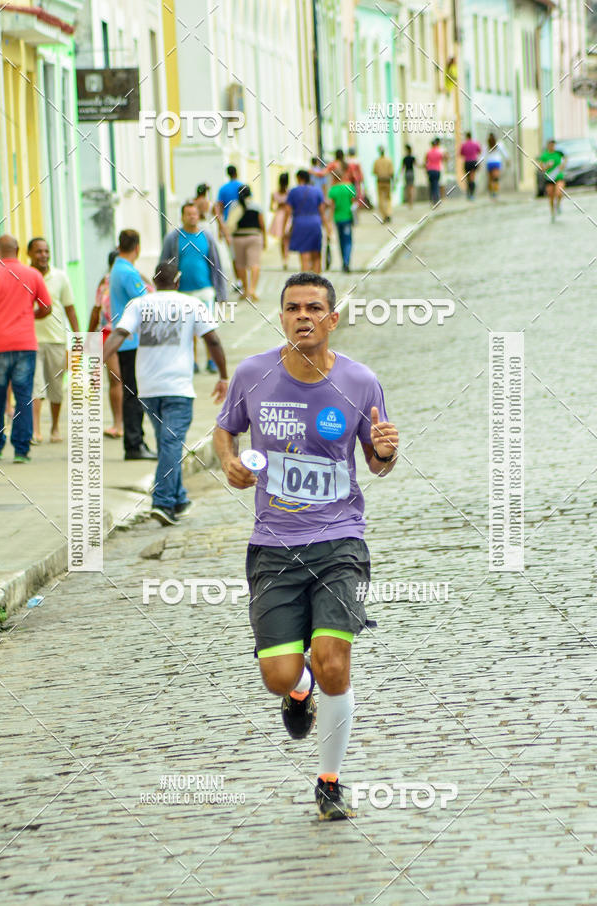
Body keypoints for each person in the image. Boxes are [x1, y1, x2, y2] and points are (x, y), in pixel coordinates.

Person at [213, 271, 399, 821]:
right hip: (273, 545)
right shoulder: (253, 373)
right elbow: (227, 428)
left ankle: (330, 781)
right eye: (293, 307)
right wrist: (228, 461)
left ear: (331, 319)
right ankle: (298, 694)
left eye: (314, 308)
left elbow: (377, 462)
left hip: (340, 539)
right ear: (282, 316)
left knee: (333, 660)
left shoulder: (361, 383)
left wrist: (386, 451)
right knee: (278, 674)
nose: (303, 316)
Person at [104, 263, 228, 525]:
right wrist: (223, 375)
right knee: (171, 444)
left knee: (166, 443)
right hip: (178, 388)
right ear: (178, 281)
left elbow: (119, 334)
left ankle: (179, 498)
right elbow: (213, 340)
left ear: (154, 281)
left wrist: (98, 360)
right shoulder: (192, 304)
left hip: (148, 388)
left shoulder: (139, 304)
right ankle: (162, 502)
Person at [0, 234, 51, 463]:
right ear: (18, 250)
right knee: (23, 396)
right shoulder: (32, 275)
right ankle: (21, 450)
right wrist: (32, 315)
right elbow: (47, 306)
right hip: (25, 344)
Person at [160, 201, 228, 373]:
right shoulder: (173, 238)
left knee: (208, 326)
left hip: (205, 289)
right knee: (188, 329)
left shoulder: (207, 237)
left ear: (199, 216)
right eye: (188, 214)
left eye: (194, 214)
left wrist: (221, 293)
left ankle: (212, 361)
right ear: (182, 216)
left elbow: (217, 265)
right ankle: (192, 361)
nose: (192, 217)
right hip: (182, 291)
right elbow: (164, 264)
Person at [109, 229, 156, 461]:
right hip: (132, 340)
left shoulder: (117, 269)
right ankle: (135, 443)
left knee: (132, 394)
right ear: (137, 248)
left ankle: (135, 442)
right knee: (135, 395)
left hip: (126, 340)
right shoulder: (128, 272)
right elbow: (147, 301)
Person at [27, 237, 79, 444]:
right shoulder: (25, 276)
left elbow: (70, 309)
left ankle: (55, 427)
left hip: (57, 339)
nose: (43, 255)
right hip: (31, 340)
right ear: (29, 253)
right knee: (36, 386)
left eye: (46, 251)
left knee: (56, 387)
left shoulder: (60, 277)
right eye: (39, 251)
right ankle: (36, 430)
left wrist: (78, 338)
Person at [89, 250, 123, 438]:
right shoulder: (104, 283)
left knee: (125, 379)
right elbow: (96, 311)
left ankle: (126, 423)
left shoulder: (132, 278)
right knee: (115, 378)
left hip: (129, 335)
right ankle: (117, 424)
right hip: (107, 334)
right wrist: (88, 337)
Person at [283, 170, 329, 274]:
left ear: (299, 178)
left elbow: (288, 212)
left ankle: (305, 281)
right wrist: (328, 227)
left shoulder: (293, 192)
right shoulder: (317, 191)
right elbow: (322, 211)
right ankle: (317, 281)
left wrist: (285, 228)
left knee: (304, 255)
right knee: (317, 254)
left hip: (300, 223)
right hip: (315, 223)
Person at [230, 185, 266, 300]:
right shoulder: (256, 206)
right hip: (254, 236)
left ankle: (245, 290)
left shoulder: (234, 206)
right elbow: (262, 224)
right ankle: (253, 289)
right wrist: (265, 238)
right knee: (254, 264)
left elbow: (230, 223)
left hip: (238, 238)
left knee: (240, 265)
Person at [215, 165, 243, 289]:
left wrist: (220, 229)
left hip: (229, 225)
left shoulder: (223, 189)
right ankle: (244, 280)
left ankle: (239, 281)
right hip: (242, 224)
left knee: (234, 255)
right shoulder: (243, 186)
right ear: (237, 172)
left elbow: (219, 209)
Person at [328, 170, 356, 272]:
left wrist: (329, 221)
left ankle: (343, 262)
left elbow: (331, 207)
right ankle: (346, 262)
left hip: (337, 218)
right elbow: (353, 203)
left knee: (340, 241)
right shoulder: (349, 187)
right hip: (347, 218)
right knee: (348, 241)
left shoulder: (333, 190)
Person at [538, 139, 566, 222]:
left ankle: (558, 204)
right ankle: (552, 213)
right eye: (550, 145)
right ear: (548, 146)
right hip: (549, 177)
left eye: (553, 145)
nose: (552, 147)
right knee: (551, 195)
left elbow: (566, 159)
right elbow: (541, 168)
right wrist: (547, 166)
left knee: (559, 192)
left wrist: (563, 165)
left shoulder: (558, 153)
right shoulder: (545, 155)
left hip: (558, 176)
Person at [269, 173, 291, 269]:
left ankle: (284, 259)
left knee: (282, 240)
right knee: (287, 239)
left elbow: (271, 207)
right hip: (288, 216)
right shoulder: (290, 193)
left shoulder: (274, 193)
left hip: (279, 215)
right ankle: (286, 257)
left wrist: (278, 208)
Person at [372, 146, 394, 222]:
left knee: (381, 199)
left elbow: (374, 172)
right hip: (387, 181)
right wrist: (393, 182)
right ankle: (388, 213)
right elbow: (391, 173)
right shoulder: (389, 161)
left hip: (380, 181)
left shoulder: (377, 161)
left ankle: (384, 215)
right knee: (388, 199)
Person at [486, 133, 509, 198]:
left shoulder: (487, 144)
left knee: (490, 179)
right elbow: (504, 152)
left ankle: (491, 191)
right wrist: (507, 159)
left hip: (489, 162)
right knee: (496, 178)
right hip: (497, 162)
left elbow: (483, 153)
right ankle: (495, 192)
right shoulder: (499, 143)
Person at [460, 131, 482, 199]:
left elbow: (461, 153)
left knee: (468, 178)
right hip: (473, 161)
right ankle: (472, 194)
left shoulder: (464, 144)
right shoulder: (475, 143)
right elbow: (479, 151)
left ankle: (468, 193)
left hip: (467, 162)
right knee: (472, 178)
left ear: (466, 137)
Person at [425, 137, 446, 207]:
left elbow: (426, 162)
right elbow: (443, 159)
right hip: (437, 170)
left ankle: (431, 200)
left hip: (430, 170)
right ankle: (436, 201)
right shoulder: (439, 152)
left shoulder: (428, 152)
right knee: (436, 185)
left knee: (431, 186)